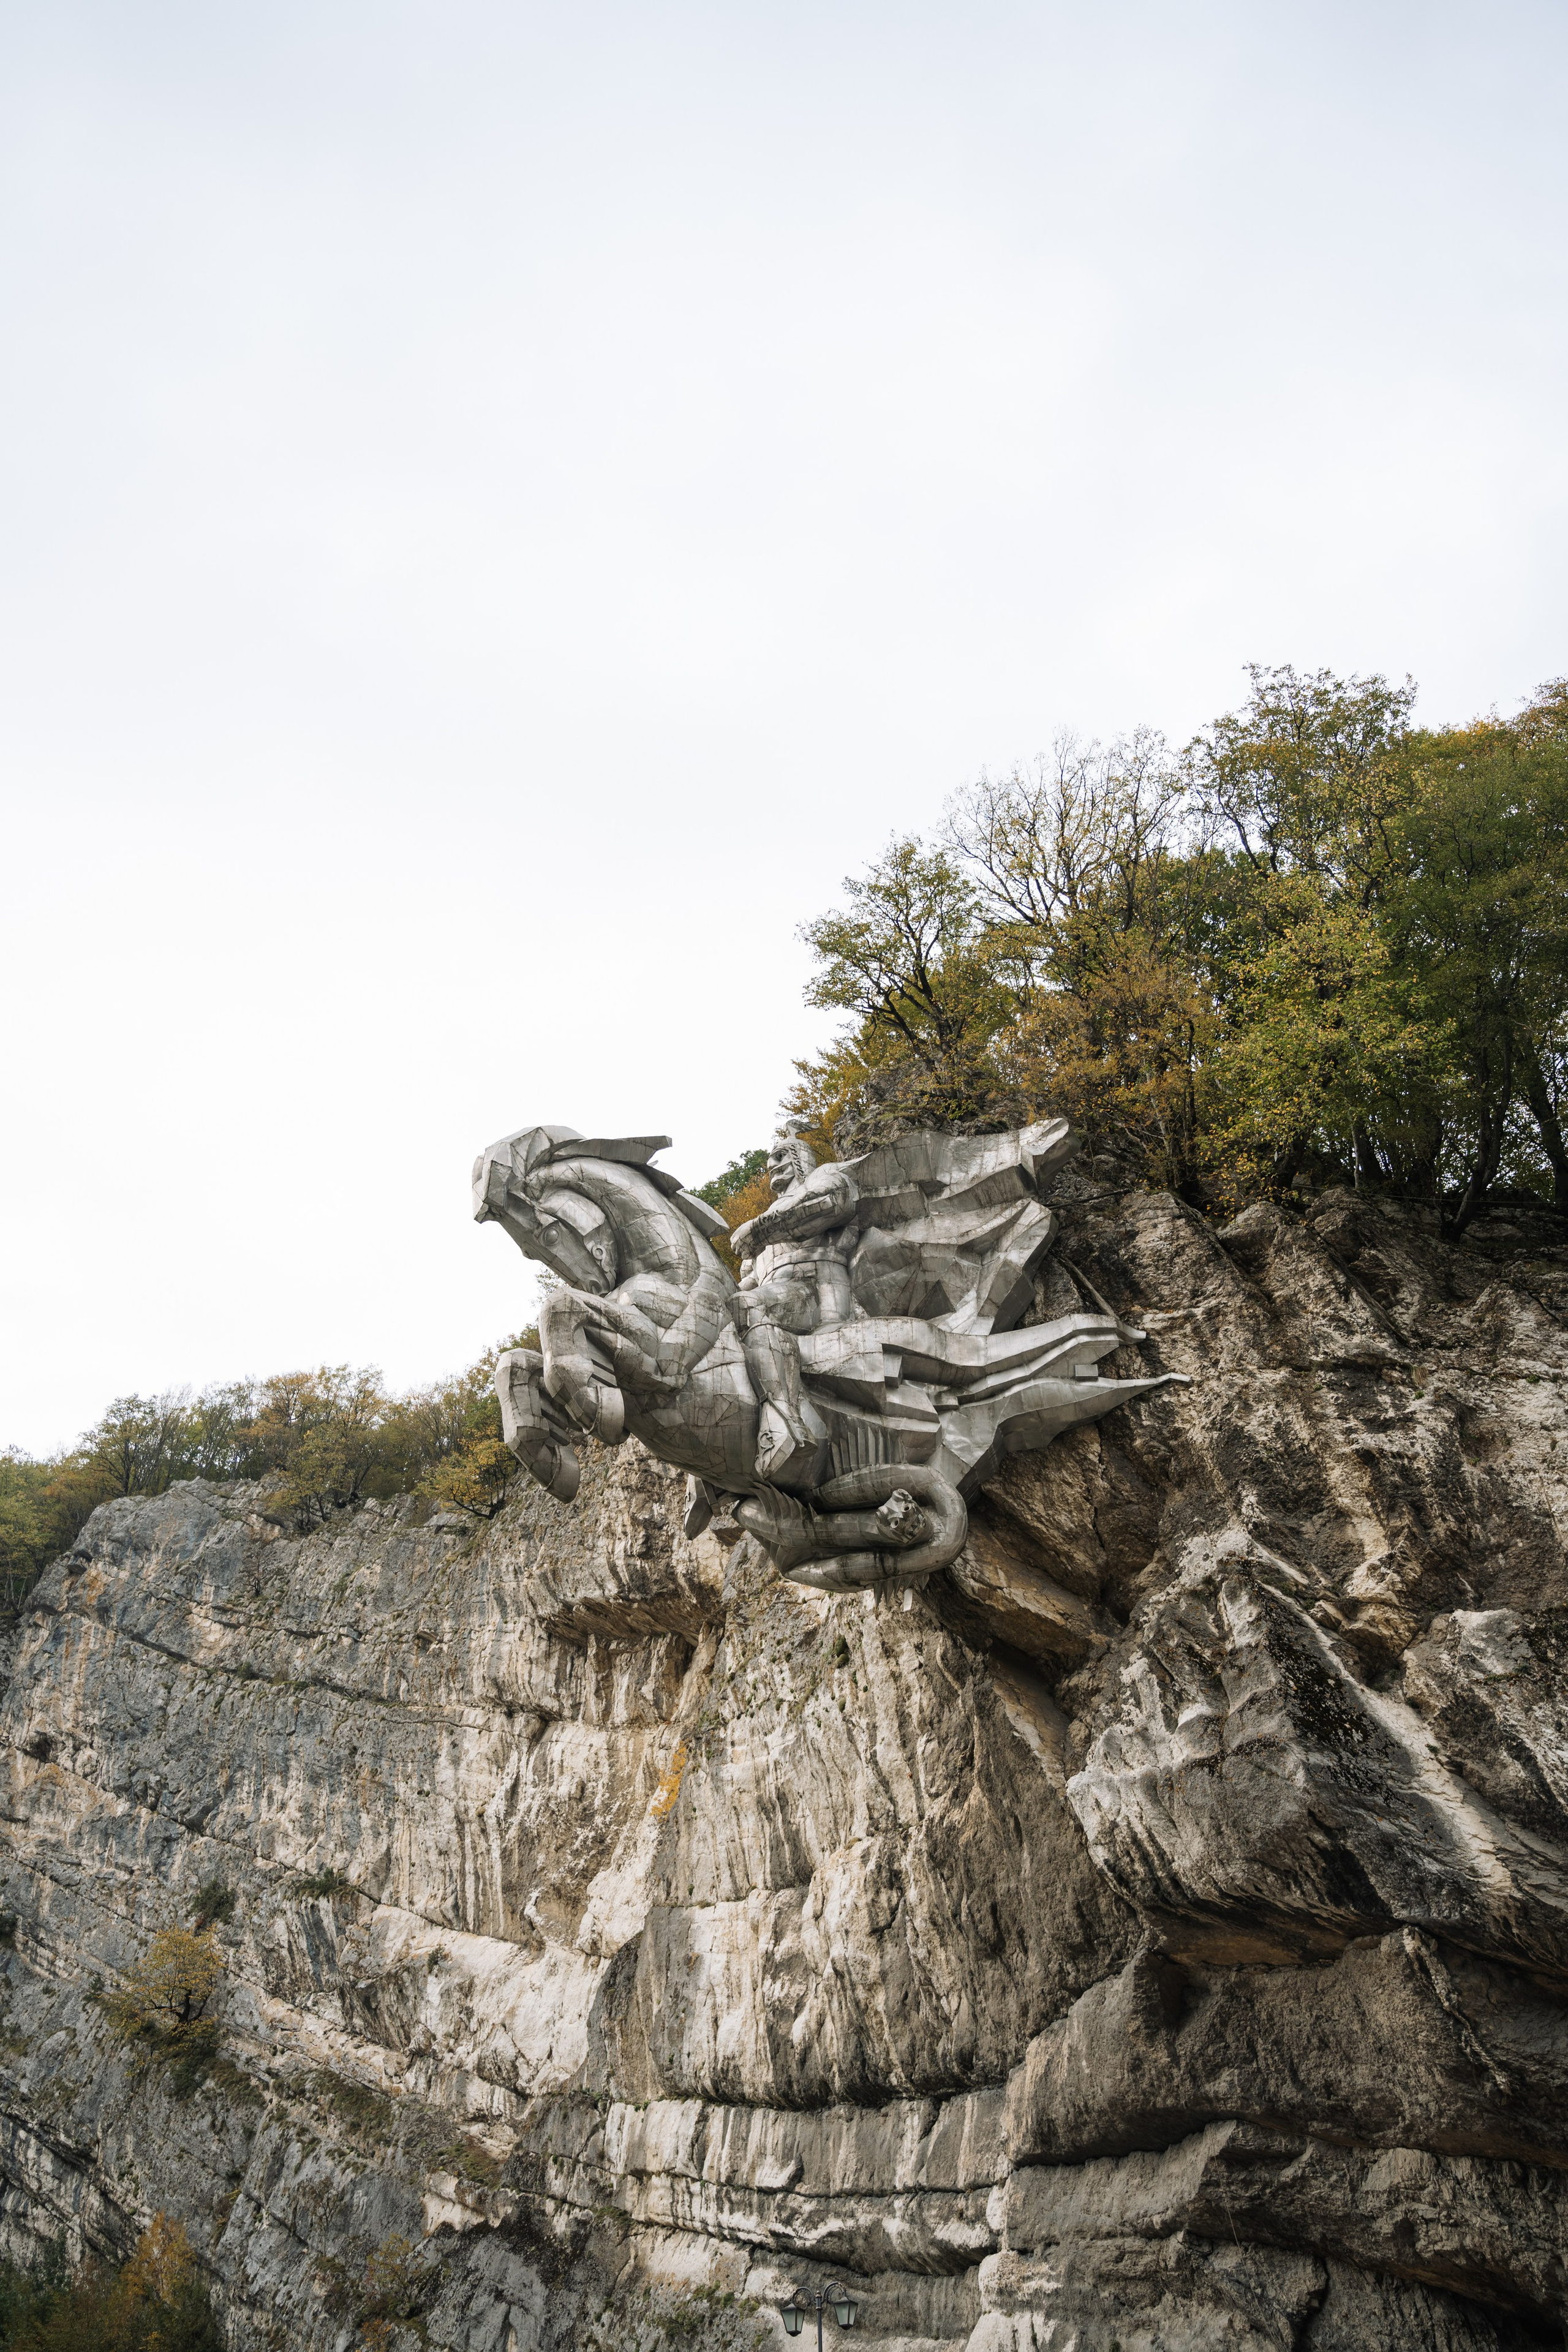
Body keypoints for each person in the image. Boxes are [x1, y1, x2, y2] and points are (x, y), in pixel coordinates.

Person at [729, 1121, 859, 1482]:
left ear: (800, 1157)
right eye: (770, 1160)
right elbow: (749, 1282)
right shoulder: (764, 1228)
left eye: (779, 1156)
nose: (771, 1165)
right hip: (777, 1292)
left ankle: (785, 1421)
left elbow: (831, 1202)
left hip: (816, 1288)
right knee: (725, 1317)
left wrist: (760, 1229)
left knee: (746, 1307)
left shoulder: (822, 1177)